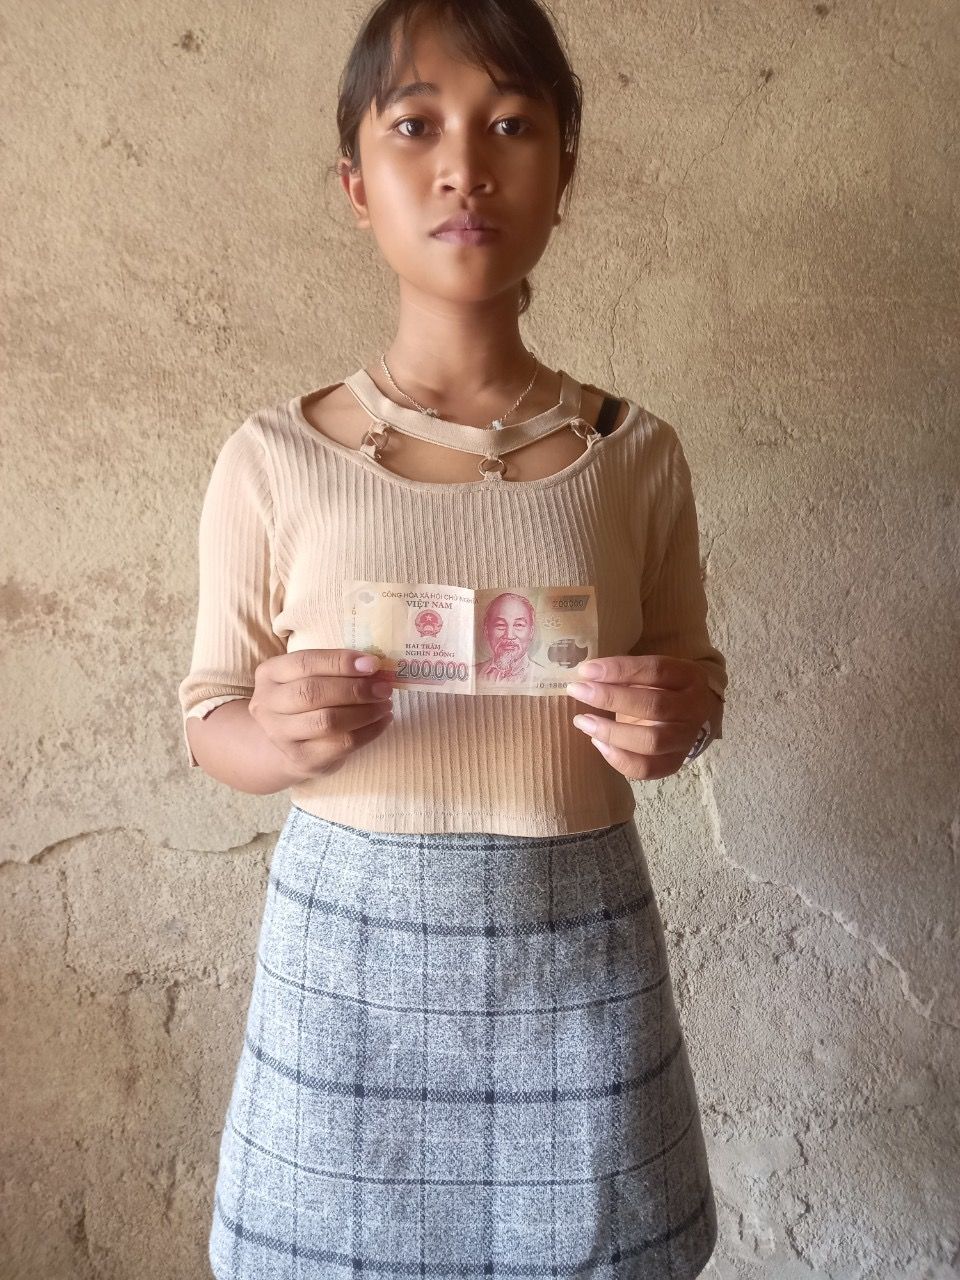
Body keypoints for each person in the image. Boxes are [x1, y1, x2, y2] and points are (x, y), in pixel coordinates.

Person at [177, 1, 729, 1275]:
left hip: (575, 944)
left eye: (513, 125)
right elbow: (207, 712)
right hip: (345, 963)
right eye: (416, 126)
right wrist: (270, 733)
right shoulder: (273, 458)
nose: (464, 167)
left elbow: (696, 681)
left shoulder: (636, 454)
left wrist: (678, 719)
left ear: (566, 173)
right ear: (355, 183)